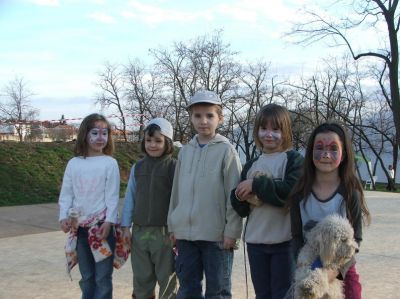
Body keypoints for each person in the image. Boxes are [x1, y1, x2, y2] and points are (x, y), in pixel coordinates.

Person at [168, 90, 243, 298]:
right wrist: (173, 225)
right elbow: (176, 191)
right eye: (198, 115)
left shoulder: (227, 151)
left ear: (220, 118)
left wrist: (232, 232)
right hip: (185, 235)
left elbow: (235, 195)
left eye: (209, 115)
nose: (203, 121)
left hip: (216, 237)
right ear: (191, 118)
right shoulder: (185, 151)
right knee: (188, 289)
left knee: (217, 291)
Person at [289, 121, 371, 299]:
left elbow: (356, 239)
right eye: (319, 147)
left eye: (333, 148)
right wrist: (301, 265)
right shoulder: (299, 194)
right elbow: (296, 236)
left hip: (341, 268)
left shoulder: (350, 194)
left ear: (343, 154)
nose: (326, 154)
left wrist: (334, 272)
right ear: (311, 152)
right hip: (309, 267)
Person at [231, 103, 304, 299]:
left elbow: (289, 193)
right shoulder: (250, 165)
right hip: (255, 242)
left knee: (283, 294)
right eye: (263, 128)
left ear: (286, 131)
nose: (268, 134)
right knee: (262, 294)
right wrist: (238, 196)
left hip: (285, 242)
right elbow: (242, 209)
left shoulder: (293, 159)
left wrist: (256, 185)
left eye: (275, 129)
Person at [58, 113, 121, 299]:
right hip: (81, 230)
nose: (100, 138)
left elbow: (112, 196)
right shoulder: (74, 164)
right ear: (85, 134)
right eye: (95, 133)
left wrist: (109, 222)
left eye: (104, 133)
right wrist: (63, 216)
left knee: (103, 277)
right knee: (87, 277)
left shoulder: (110, 163)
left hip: (101, 229)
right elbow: (67, 193)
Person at [121, 118, 177, 299]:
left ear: (167, 142)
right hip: (139, 232)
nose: (152, 145)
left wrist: (177, 229)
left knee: (167, 278)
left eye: (158, 141)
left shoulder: (174, 167)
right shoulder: (138, 167)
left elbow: (179, 200)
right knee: (141, 277)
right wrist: (125, 226)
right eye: (148, 140)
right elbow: (130, 196)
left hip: (165, 234)